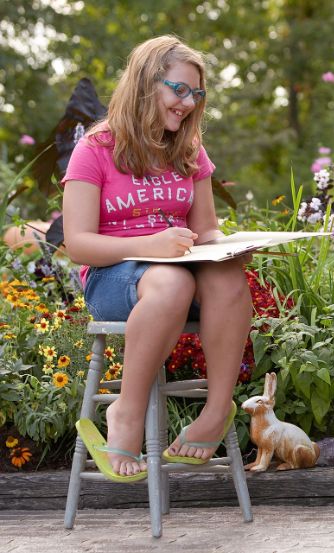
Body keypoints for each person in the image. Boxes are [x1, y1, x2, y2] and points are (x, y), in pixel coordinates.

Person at [62, 36, 253, 479]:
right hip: (116, 279)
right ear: (147, 83)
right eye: (179, 90)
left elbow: (205, 229)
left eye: (197, 93)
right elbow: (78, 244)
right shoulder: (95, 149)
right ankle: (125, 414)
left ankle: (216, 410)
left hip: (176, 272)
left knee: (225, 276)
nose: (189, 103)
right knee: (172, 282)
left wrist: (230, 244)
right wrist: (147, 246)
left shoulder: (188, 151)